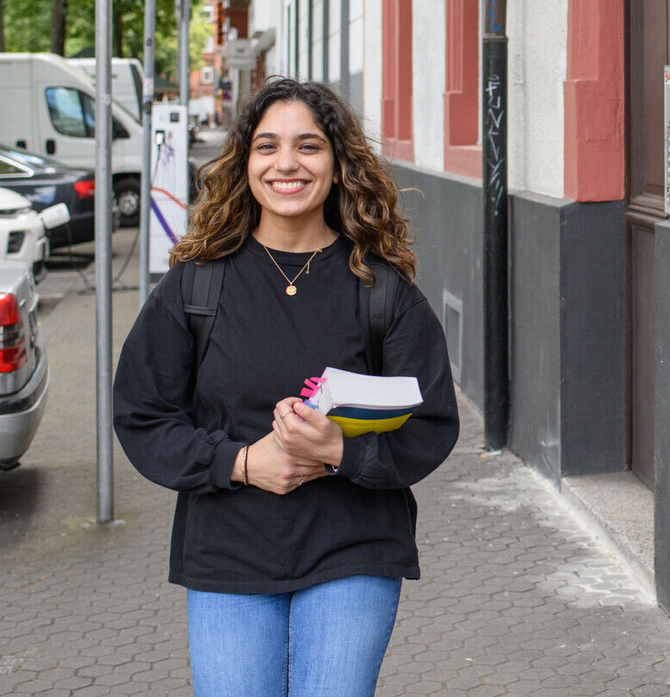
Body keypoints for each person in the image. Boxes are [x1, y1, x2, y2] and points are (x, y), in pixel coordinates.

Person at [113, 77, 460, 697]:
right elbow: (142, 414)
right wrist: (243, 462)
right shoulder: (197, 287)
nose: (287, 164)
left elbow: (432, 423)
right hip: (228, 548)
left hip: (352, 544)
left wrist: (338, 453)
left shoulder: (381, 291)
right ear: (245, 163)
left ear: (338, 164)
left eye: (309, 146)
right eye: (267, 146)